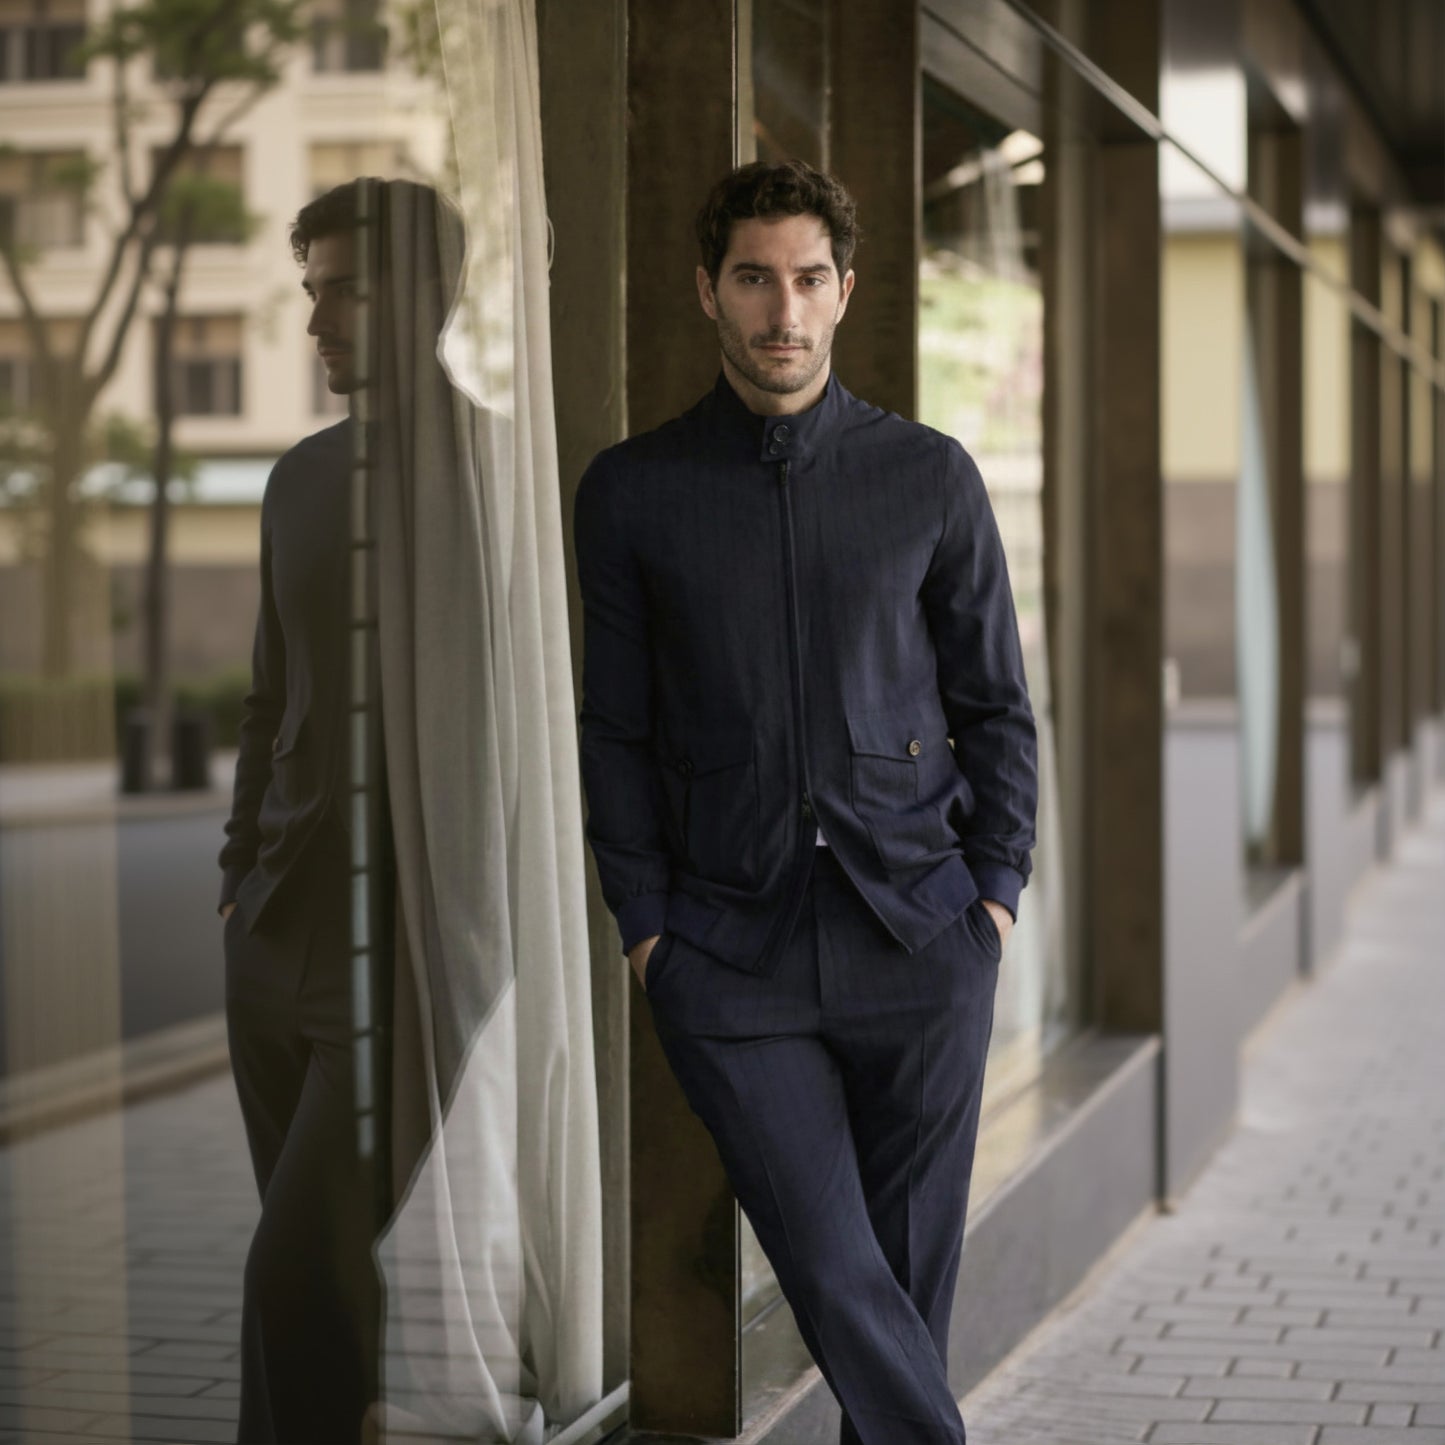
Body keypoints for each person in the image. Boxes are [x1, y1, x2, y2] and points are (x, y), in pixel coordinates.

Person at [574, 158, 1038, 1445]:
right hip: (726, 952)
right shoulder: (631, 490)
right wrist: (648, 926)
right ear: (706, 293)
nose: (783, 309)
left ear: (845, 293)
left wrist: (991, 897)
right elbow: (610, 727)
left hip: (921, 934)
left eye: (807, 279)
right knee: (834, 1266)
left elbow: (996, 704)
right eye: (754, 278)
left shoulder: (928, 475)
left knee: (902, 1287)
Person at [218, 181, 378, 1444]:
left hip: (390, 959)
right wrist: (236, 875)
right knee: (323, 1286)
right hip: (272, 931)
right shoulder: (298, 477)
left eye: (344, 287)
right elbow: (271, 695)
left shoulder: (491, 476)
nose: (316, 317)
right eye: (310, 288)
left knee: (287, 1275)